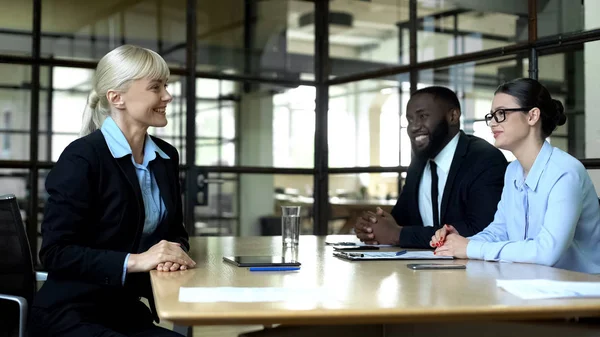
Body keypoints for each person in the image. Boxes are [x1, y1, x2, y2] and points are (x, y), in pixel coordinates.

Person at [29, 45, 196, 336]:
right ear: (116, 97)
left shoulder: (166, 157)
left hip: (124, 310)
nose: (168, 96)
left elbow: (175, 232)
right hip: (72, 313)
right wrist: (139, 260)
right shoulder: (81, 158)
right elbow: (56, 252)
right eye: (156, 87)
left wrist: (173, 252)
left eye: (166, 85)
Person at [430, 78, 600, 274]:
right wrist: (458, 242)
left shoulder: (565, 172)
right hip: (531, 281)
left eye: (501, 113)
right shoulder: (513, 171)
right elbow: (499, 231)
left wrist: (470, 248)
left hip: (579, 288)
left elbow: (547, 251)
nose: (492, 123)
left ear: (532, 116)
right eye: (491, 115)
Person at [354, 86, 507, 248]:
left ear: (453, 116)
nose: (413, 127)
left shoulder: (484, 159)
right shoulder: (419, 163)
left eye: (423, 116)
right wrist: (373, 226)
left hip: (473, 270)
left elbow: (482, 231)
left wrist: (398, 235)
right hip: (420, 269)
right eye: (410, 120)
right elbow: (401, 221)